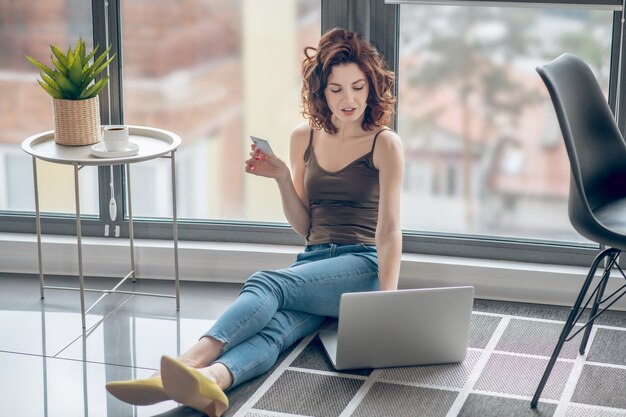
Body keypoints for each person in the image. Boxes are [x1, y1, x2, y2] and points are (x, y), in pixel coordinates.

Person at [105, 27, 404, 417]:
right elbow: (306, 228)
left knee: (268, 283)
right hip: (314, 265)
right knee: (276, 328)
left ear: (371, 87)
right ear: (321, 92)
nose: (349, 99)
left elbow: (390, 229)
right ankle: (214, 380)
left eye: (358, 87)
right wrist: (282, 177)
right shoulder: (304, 138)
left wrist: (386, 305)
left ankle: (188, 361)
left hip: (362, 266)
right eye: (336, 89)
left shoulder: (385, 143)